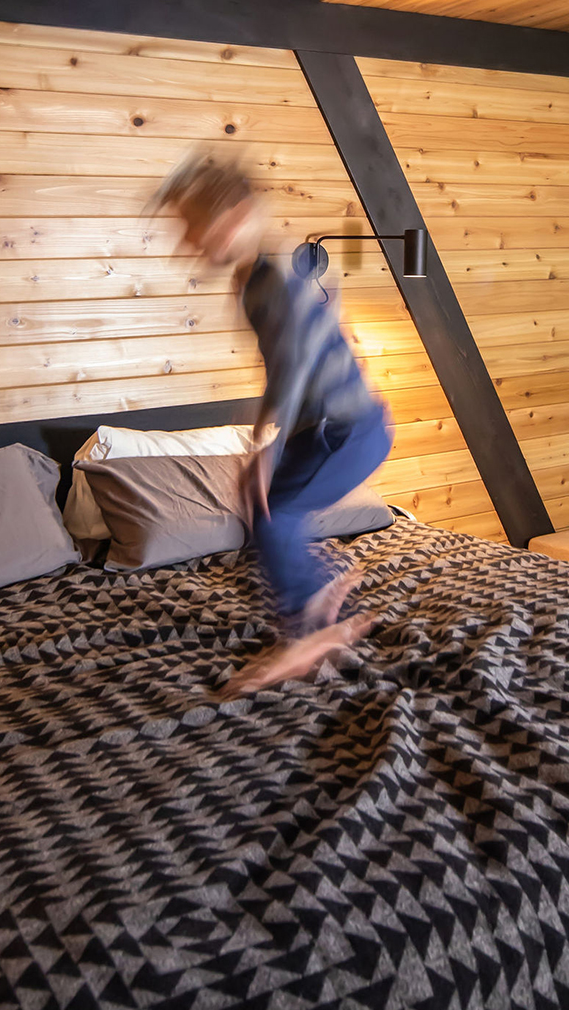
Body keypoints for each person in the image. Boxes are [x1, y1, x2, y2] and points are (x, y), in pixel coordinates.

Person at [152, 153, 393, 692]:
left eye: (195, 227)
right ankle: (319, 590)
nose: (188, 244)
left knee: (273, 514)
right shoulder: (254, 278)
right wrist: (263, 444)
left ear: (236, 216)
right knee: (262, 506)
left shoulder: (275, 274)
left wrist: (266, 449)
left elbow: (298, 365)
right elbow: (284, 368)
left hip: (349, 430)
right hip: (332, 429)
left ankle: (305, 636)